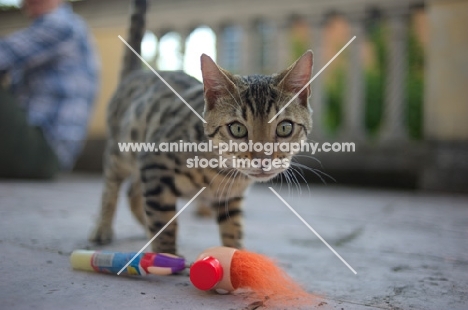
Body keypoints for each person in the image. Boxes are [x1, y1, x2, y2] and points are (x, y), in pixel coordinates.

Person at [0, 0, 99, 179]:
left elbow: (4, 54)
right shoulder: (56, 28)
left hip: (44, 151)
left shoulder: (61, 25)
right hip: (45, 152)